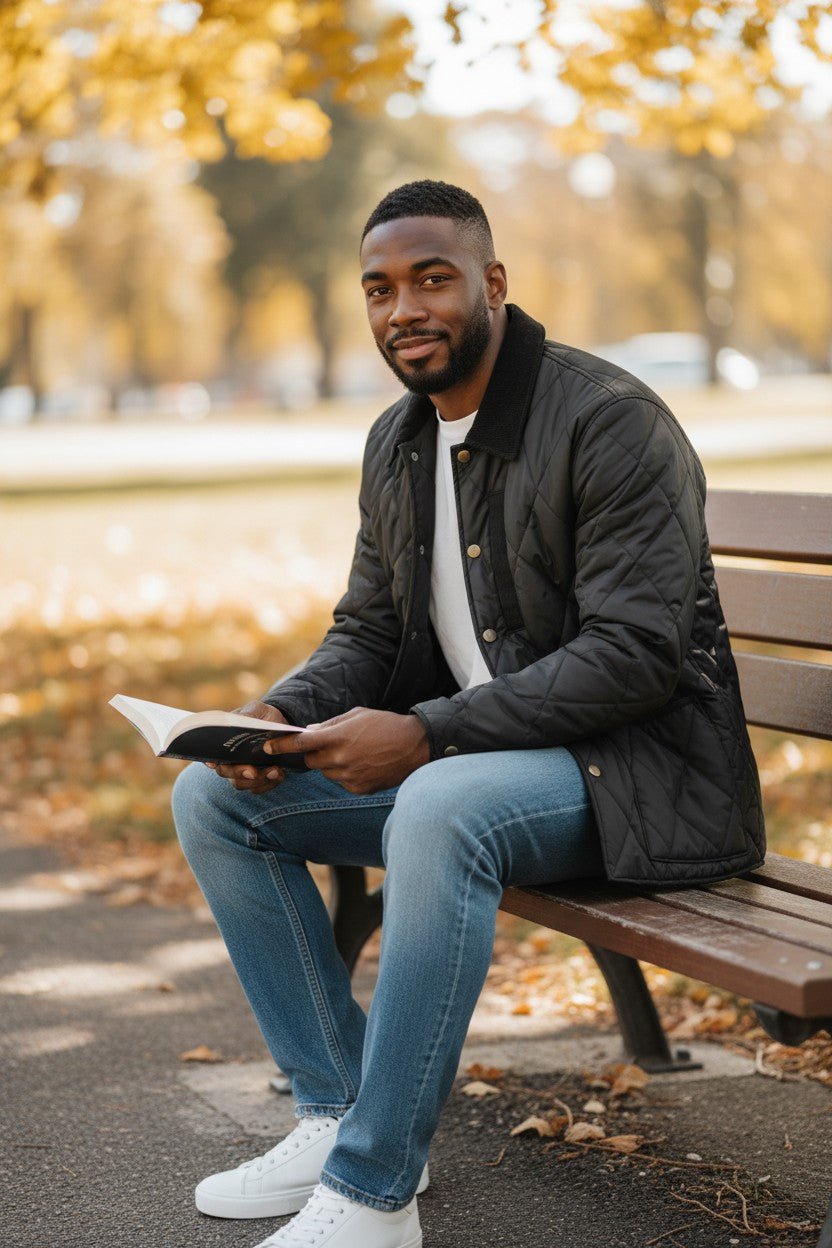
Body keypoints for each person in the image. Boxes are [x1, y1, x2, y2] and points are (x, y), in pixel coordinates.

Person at [172, 179, 764, 1248]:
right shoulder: (398, 443)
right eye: (380, 288)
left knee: (438, 804)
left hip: (633, 780)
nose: (405, 308)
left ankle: (371, 1194)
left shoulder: (608, 421)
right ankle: (337, 1111)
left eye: (432, 279)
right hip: (485, 771)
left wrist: (432, 732)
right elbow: (367, 629)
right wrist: (272, 714)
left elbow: (634, 656)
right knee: (214, 802)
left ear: (492, 283)